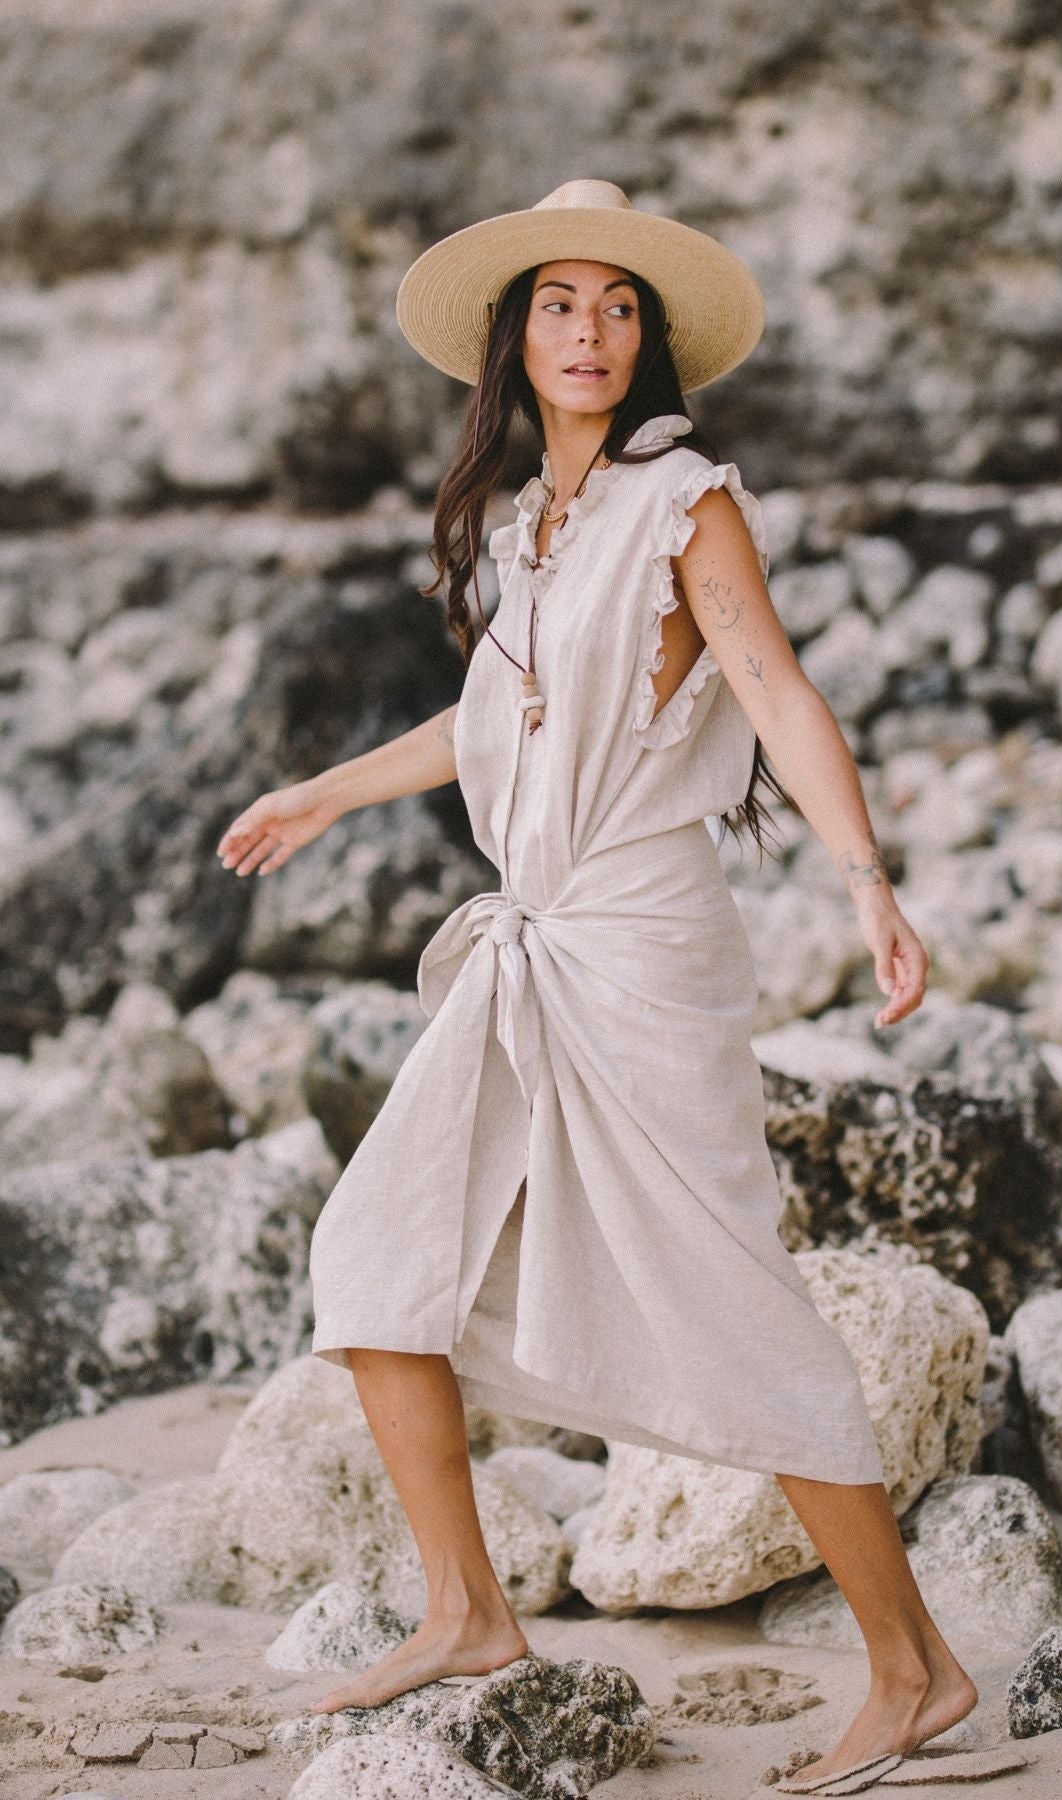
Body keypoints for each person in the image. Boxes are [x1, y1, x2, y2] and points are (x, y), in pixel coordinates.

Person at [216, 179, 978, 1787]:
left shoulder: (683, 499)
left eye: (620, 306)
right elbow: (492, 726)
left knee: (735, 1299)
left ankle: (911, 1668)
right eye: (560, 303)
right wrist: (323, 793)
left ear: (650, 343)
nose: (590, 330)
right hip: (531, 941)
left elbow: (770, 681)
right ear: (514, 337)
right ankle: (466, 1609)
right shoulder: (524, 530)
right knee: (375, 1260)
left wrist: (867, 879)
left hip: (643, 950)